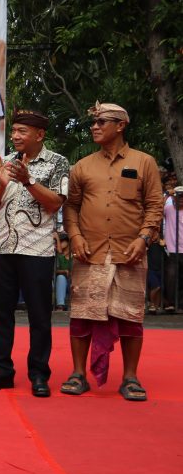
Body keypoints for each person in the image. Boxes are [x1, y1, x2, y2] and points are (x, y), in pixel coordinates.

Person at [61, 102, 163, 401]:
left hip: (129, 250)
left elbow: (155, 206)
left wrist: (144, 238)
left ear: (120, 125)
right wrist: (75, 236)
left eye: (101, 121)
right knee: (81, 315)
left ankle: (130, 377)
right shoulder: (82, 166)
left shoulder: (144, 162)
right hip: (89, 251)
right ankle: (78, 373)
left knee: (131, 315)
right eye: (93, 122)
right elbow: (72, 207)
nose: (94, 126)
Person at [0, 109, 69, 397]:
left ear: (39, 135)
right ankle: (1, 370)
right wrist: (3, 185)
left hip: (37, 250)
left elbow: (55, 203)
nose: (15, 136)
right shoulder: (4, 161)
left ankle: (39, 374)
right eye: (13, 130)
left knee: (39, 316)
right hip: (3, 247)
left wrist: (28, 181)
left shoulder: (57, 163)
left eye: (22, 131)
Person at [162, 187, 183, 313]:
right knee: (171, 276)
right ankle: (169, 303)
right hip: (172, 248)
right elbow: (156, 208)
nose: (181, 200)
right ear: (174, 197)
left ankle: (180, 304)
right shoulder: (169, 209)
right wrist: (166, 194)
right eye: (179, 196)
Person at [56, 234, 72, 311]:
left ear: (68, 242)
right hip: (61, 283)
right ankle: (60, 305)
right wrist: (64, 271)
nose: (59, 243)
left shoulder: (74, 255)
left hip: (73, 282)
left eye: (61, 241)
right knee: (61, 277)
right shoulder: (58, 256)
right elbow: (54, 270)